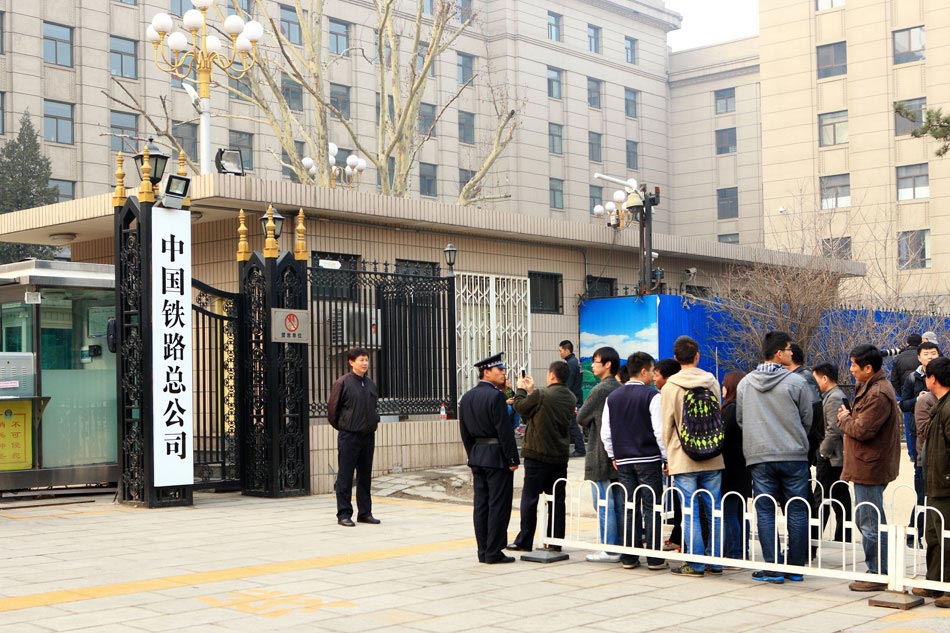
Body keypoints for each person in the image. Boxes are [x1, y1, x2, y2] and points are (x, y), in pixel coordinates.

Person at [736, 331, 812, 584]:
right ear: (779, 353)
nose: (792, 353)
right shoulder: (797, 382)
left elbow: (740, 419)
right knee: (798, 509)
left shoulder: (745, 384)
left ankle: (772, 567)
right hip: (794, 455)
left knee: (765, 511)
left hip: (759, 455)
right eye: (789, 349)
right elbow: (807, 419)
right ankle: (795, 567)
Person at [837, 344, 901, 592]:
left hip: (870, 465)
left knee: (870, 521)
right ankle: (878, 568)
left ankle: (878, 571)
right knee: (869, 518)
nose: (851, 369)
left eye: (854, 365)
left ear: (868, 368)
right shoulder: (869, 387)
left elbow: (862, 430)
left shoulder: (877, 393)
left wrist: (844, 418)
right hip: (866, 463)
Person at [661, 336, 724, 577]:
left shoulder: (670, 386)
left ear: (676, 359)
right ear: (697, 356)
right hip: (712, 454)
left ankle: (695, 563)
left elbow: (666, 425)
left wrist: (670, 453)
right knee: (714, 508)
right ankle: (716, 560)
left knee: (689, 510)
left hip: (683, 455)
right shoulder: (712, 382)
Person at [602, 351, 668, 571]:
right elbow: (659, 431)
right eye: (651, 370)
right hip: (648, 458)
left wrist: (613, 455)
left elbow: (606, 432)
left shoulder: (613, 398)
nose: (652, 375)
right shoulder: (652, 397)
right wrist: (666, 457)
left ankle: (629, 556)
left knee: (629, 506)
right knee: (652, 507)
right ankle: (654, 558)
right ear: (643, 371)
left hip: (623, 459)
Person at [458, 353, 521, 564]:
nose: (503, 373)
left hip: (477, 455)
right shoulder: (496, 397)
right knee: (498, 505)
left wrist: (473, 453)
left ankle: (483, 550)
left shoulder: (467, 397)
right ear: (487, 372)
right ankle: (493, 551)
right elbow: (504, 431)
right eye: (499, 370)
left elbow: (465, 432)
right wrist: (513, 459)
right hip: (496, 457)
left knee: (481, 505)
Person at [508, 360, 576, 553]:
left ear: (552, 375)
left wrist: (521, 390)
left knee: (530, 499)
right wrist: (531, 392)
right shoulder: (570, 397)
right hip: (559, 457)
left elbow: (520, 407)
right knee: (557, 500)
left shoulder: (542, 394)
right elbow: (537, 411)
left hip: (537, 455)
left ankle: (525, 540)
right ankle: (555, 541)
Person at [576, 346, 624, 563]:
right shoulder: (620, 388)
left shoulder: (600, 390)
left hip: (600, 452)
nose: (593, 365)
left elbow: (581, 417)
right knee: (620, 502)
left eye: (596, 361)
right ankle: (622, 546)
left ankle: (609, 548)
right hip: (620, 454)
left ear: (608, 364)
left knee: (604, 502)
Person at [327, 348, 381, 528]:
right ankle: (343, 513)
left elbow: (373, 408)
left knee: (365, 476)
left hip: (368, 436)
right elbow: (333, 412)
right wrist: (345, 427)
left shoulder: (371, 384)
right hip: (349, 436)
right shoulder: (342, 383)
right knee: (346, 476)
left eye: (366, 360)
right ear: (351, 362)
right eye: (361, 360)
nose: (365, 363)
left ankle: (365, 513)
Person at [912, 356, 950, 605]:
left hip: (946, 483)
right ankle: (934, 582)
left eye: (926, 374)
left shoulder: (948, 407)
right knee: (934, 536)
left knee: (947, 535)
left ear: (933, 378)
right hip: (935, 481)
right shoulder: (940, 404)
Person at [901, 341, 941, 545]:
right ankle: (913, 532)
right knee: (922, 492)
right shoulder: (913, 377)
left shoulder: (943, 376)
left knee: (928, 494)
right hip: (920, 439)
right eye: (926, 354)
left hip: (936, 444)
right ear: (919, 357)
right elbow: (903, 404)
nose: (930, 357)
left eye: (934, 353)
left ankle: (918, 532)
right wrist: (919, 399)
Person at [812, 362, 852, 542]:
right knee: (839, 497)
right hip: (836, 457)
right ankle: (842, 537)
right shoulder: (833, 395)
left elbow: (833, 429)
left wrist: (823, 452)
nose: (814, 384)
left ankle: (813, 540)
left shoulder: (834, 397)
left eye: (816, 380)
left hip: (832, 458)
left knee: (822, 498)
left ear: (825, 378)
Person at [654, 358, 685, 552]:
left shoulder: (666, 395)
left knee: (681, 500)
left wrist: (666, 458)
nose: (654, 378)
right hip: (691, 454)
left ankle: (681, 539)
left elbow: (663, 430)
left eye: (657, 375)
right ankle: (679, 536)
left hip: (677, 455)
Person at [720, 370, 750, 562]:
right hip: (743, 467)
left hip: (730, 467)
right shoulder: (745, 408)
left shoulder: (730, 410)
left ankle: (733, 552)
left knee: (730, 511)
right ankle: (741, 549)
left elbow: (724, 439)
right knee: (740, 511)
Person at [559, 340, 587, 457]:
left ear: (567, 350)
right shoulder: (575, 361)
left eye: (560, 351)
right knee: (570, 423)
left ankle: (580, 448)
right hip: (576, 395)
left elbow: (569, 384)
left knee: (572, 424)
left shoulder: (570, 364)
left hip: (571, 397)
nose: (559, 353)